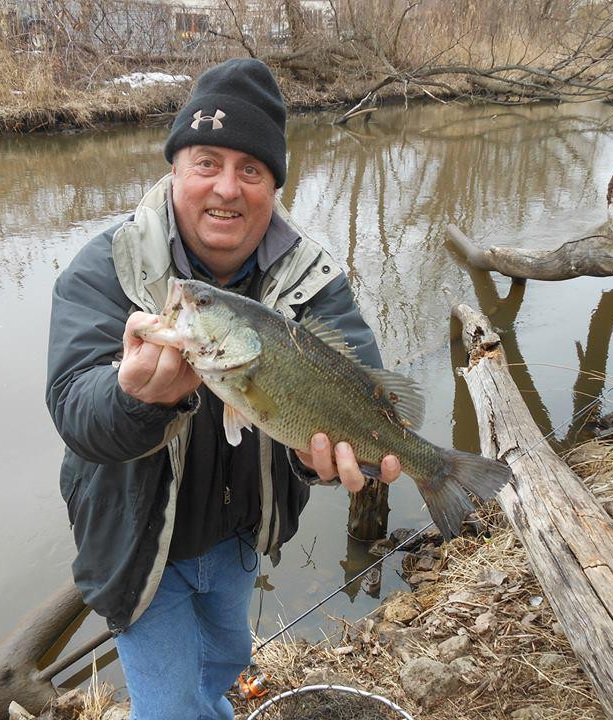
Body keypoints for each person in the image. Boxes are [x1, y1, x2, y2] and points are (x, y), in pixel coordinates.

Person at [45, 58, 400, 720]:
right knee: (169, 705)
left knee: (222, 669)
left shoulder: (313, 279)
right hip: (134, 547)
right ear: (174, 169)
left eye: (251, 170)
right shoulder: (105, 267)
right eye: (206, 162)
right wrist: (134, 399)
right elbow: (73, 409)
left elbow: (359, 405)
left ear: (273, 185)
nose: (227, 189)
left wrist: (320, 458)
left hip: (240, 538)